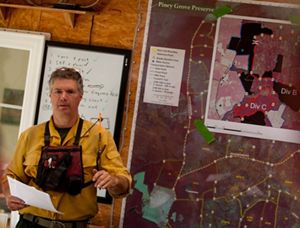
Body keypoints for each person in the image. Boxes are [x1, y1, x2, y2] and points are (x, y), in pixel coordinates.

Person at [1, 67, 132, 228]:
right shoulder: (30, 136)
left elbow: (124, 185)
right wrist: (8, 194)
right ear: (50, 95)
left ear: (80, 96)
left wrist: (113, 180)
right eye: (58, 91)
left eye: (70, 92)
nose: (63, 97)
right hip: (30, 223)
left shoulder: (99, 137)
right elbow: (11, 176)